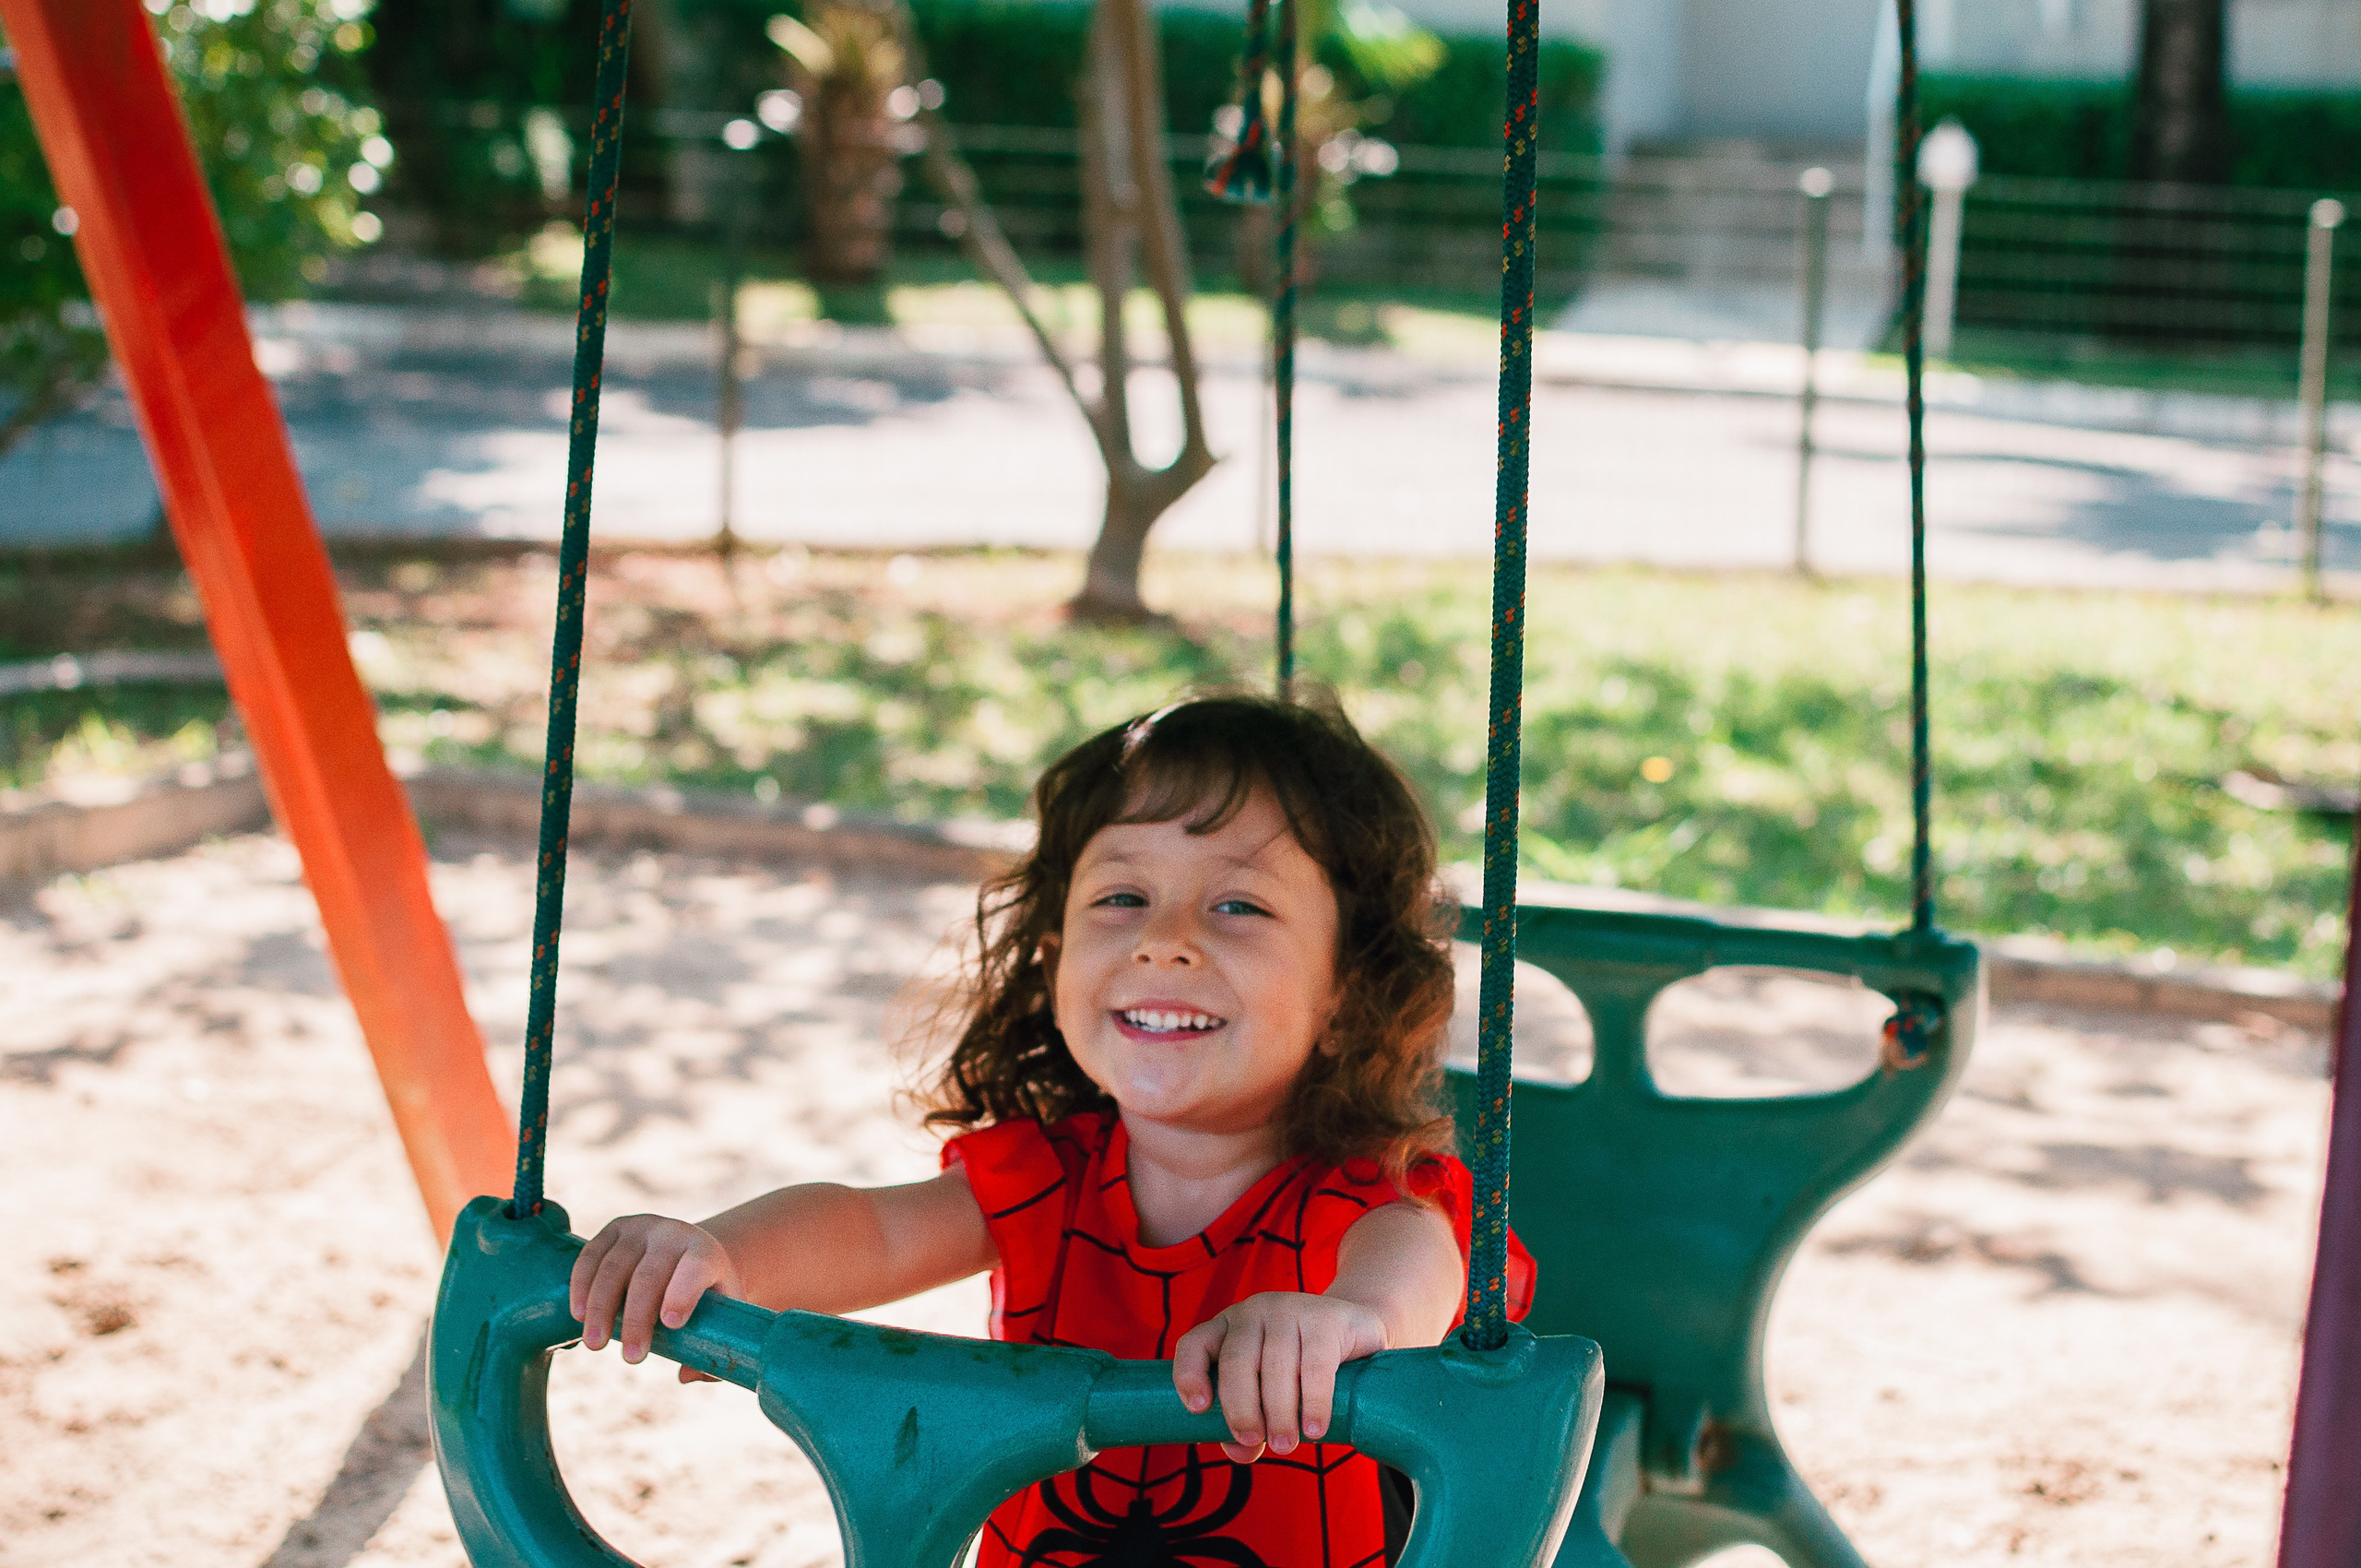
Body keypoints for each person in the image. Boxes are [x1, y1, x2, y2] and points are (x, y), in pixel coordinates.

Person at [568, 693, 1534, 1567]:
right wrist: (724, 1255)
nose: (1164, 938)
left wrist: (1351, 1320)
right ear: (1054, 957)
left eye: (1237, 904)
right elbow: (873, 1228)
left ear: (1344, 992)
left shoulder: (1369, 1196)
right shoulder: (1048, 1174)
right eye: (1122, 897)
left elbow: (1422, 1264)